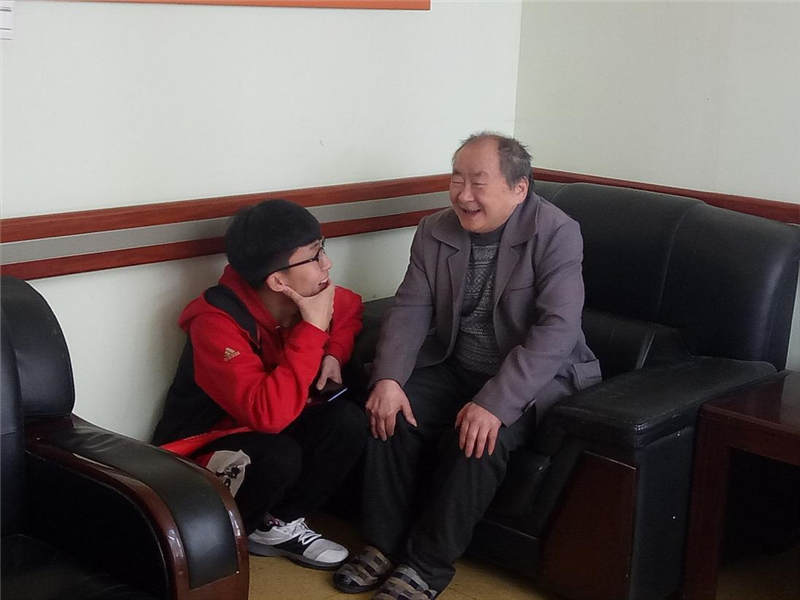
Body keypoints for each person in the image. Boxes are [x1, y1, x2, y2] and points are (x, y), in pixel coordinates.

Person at [333, 133, 601, 599]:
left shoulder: (556, 232)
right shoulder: (434, 229)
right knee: (390, 412)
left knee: (479, 438)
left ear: (519, 188)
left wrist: (495, 403)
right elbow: (410, 308)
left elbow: (557, 329)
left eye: (478, 182)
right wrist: (389, 378)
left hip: (530, 378)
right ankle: (382, 545)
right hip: (455, 363)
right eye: (456, 179)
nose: (463, 195)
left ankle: (426, 565)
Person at [153, 199, 367, 570]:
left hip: (263, 429)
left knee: (347, 421)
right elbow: (267, 416)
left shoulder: (310, 294)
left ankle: (277, 525)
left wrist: (333, 353)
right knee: (278, 456)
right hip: (203, 447)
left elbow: (349, 308)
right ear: (278, 281)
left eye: (323, 248)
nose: (327, 264)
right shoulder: (215, 322)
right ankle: (232, 536)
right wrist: (313, 330)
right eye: (314, 256)